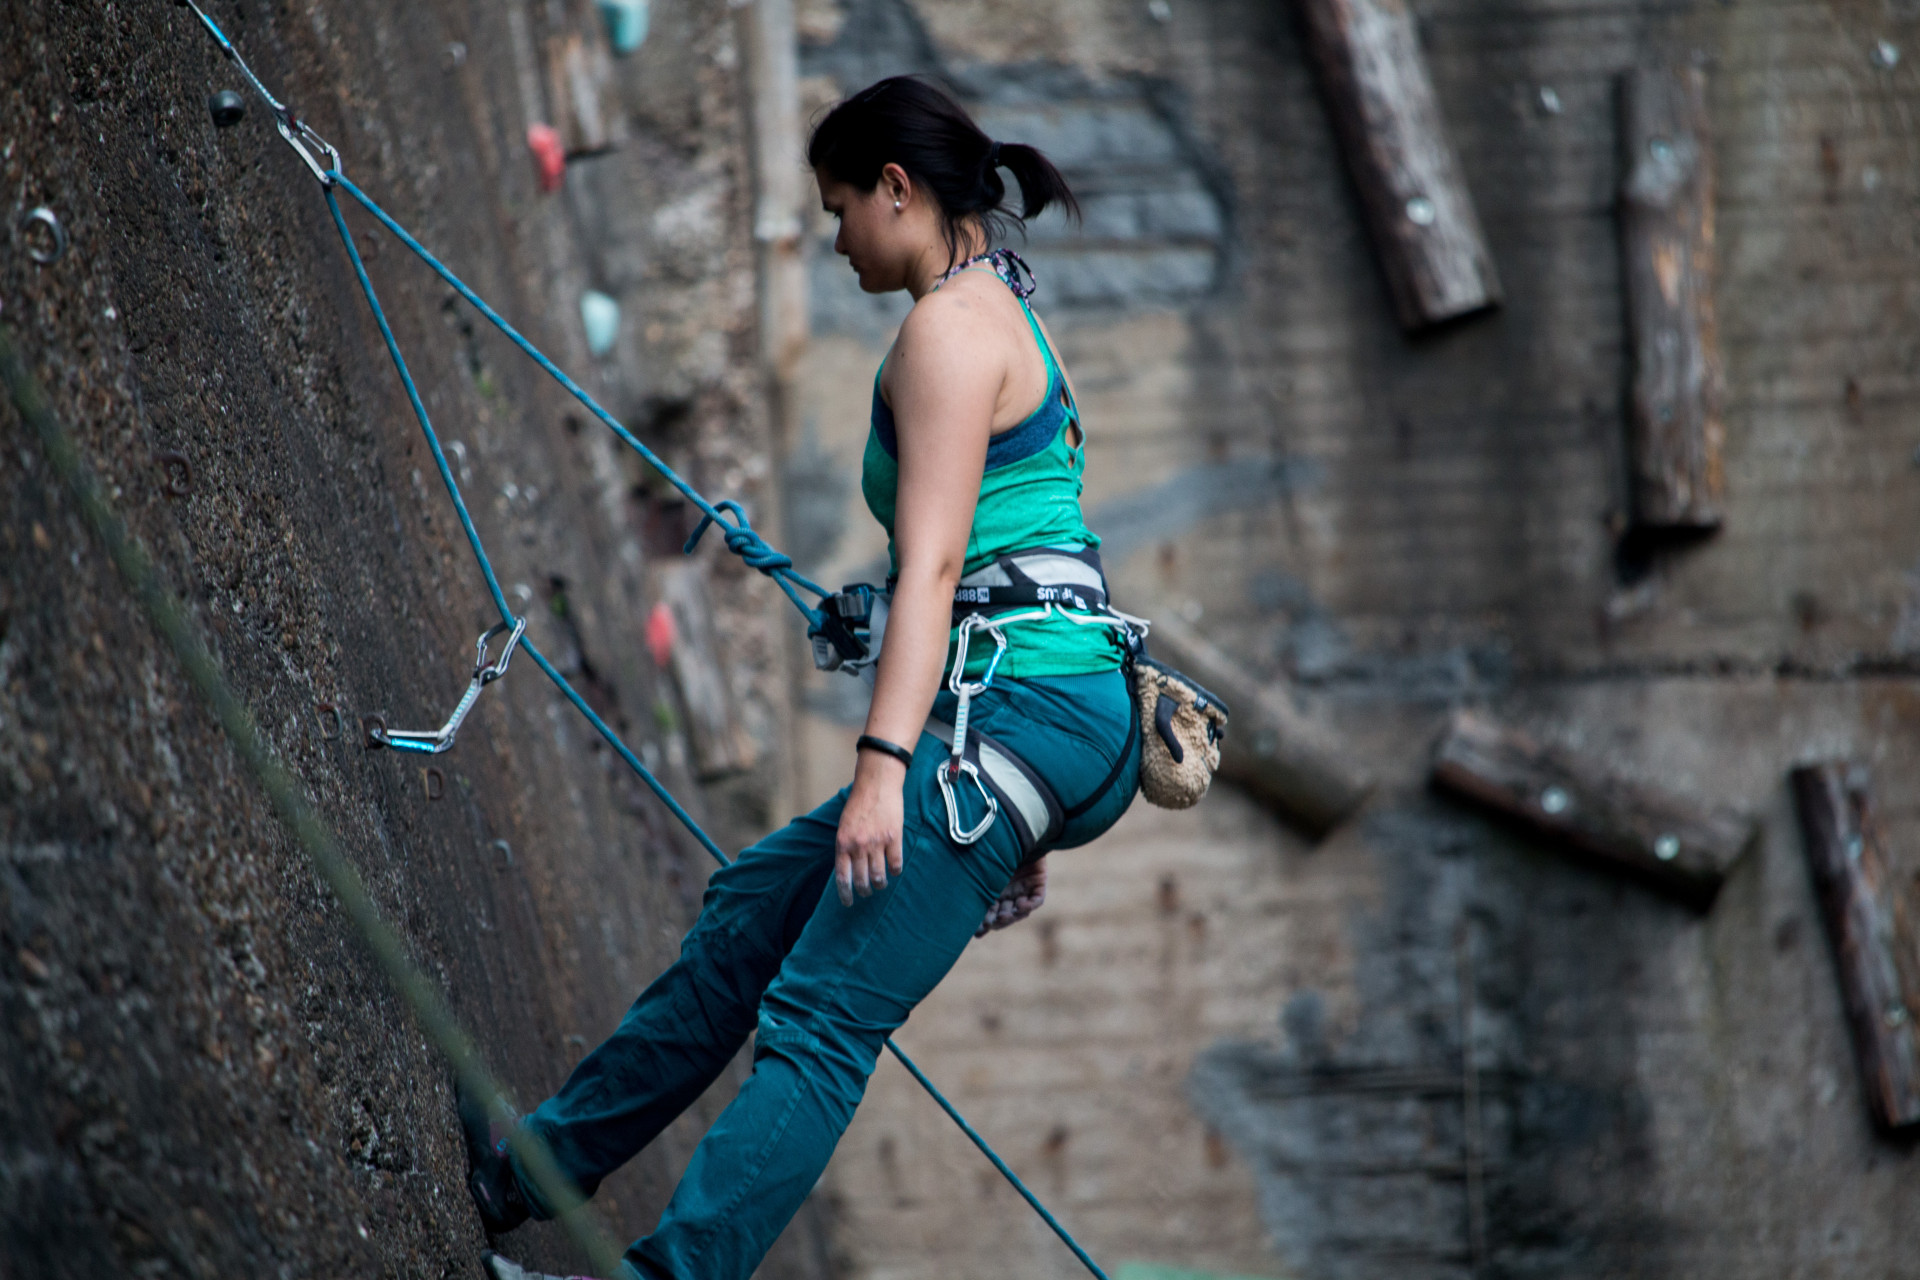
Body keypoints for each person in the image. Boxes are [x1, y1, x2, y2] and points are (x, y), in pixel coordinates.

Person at [468, 75, 1142, 1280]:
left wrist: (890, 767)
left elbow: (937, 569)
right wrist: (1023, 806)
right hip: (1045, 720)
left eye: (841, 208)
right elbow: (1021, 553)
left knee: (824, 1023)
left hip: (1018, 720)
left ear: (899, 188)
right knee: (750, 919)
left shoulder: (945, 330)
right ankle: (529, 1171)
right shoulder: (1008, 307)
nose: (834, 240)